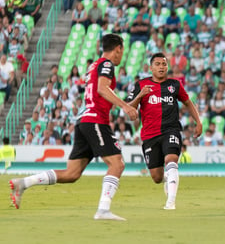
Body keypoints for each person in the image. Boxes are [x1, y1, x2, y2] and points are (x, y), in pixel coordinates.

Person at [9, 34, 139, 221]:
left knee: (72, 173)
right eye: (122, 51)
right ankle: (103, 210)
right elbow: (102, 89)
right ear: (118, 49)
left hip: (83, 121)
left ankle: (23, 183)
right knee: (117, 164)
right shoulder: (107, 64)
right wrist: (124, 106)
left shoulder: (93, 66)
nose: (121, 55)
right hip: (95, 120)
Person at [126, 52, 202, 210]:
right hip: (150, 135)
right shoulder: (141, 85)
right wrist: (140, 95)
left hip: (171, 130)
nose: (161, 67)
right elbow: (129, 108)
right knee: (156, 177)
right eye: (158, 64)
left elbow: (188, 102)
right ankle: (168, 178)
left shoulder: (175, 85)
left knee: (172, 159)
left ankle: (171, 202)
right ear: (151, 67)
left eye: (164, 64)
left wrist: (198, 121)